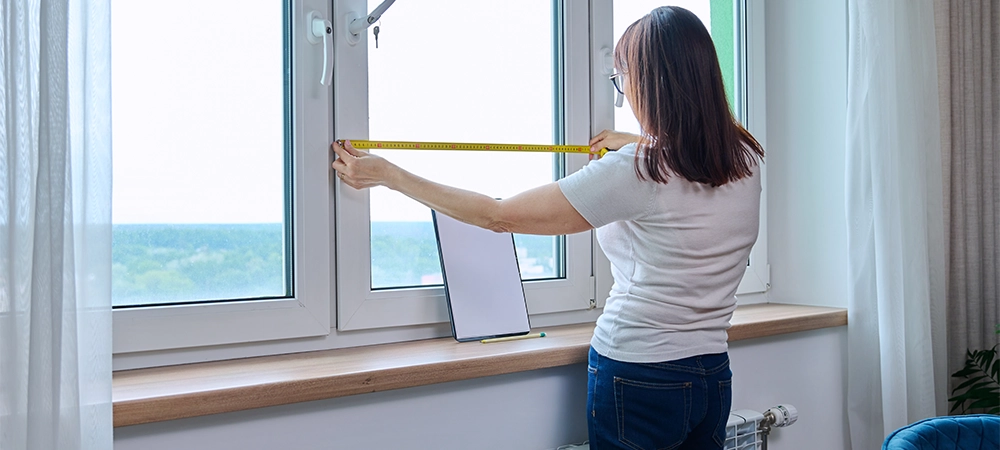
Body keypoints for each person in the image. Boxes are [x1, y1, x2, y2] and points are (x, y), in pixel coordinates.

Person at [331, 6, 763, 449]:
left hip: (641, 373)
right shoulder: (745, 159)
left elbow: (497, 215)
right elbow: (687, 164)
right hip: (712, 373)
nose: (624, 95)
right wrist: (634, 142)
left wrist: (391, 176)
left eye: (622, 80)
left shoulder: (638, 171)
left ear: (653, 83)